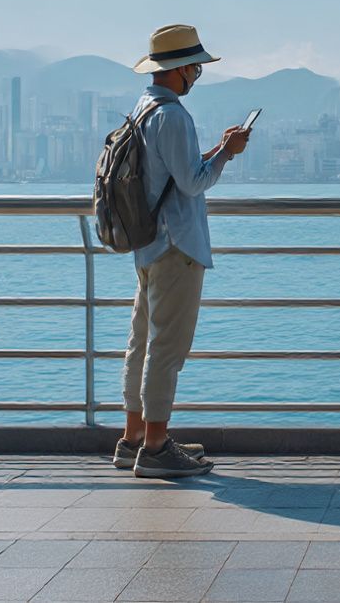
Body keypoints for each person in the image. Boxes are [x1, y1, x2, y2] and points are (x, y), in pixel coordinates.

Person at [113, 24, 250, 478]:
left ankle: (134, 436)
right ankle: (155, 449)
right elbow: (192, 182)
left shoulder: (144, 107)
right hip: (177, 246)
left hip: (149, 243)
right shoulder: (173, 116)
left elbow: (175, 170)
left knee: (142, 342)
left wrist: (216, 149)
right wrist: (227, 155)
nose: (198, 74)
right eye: (196, 66)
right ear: (181, 69)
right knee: (167, 348)